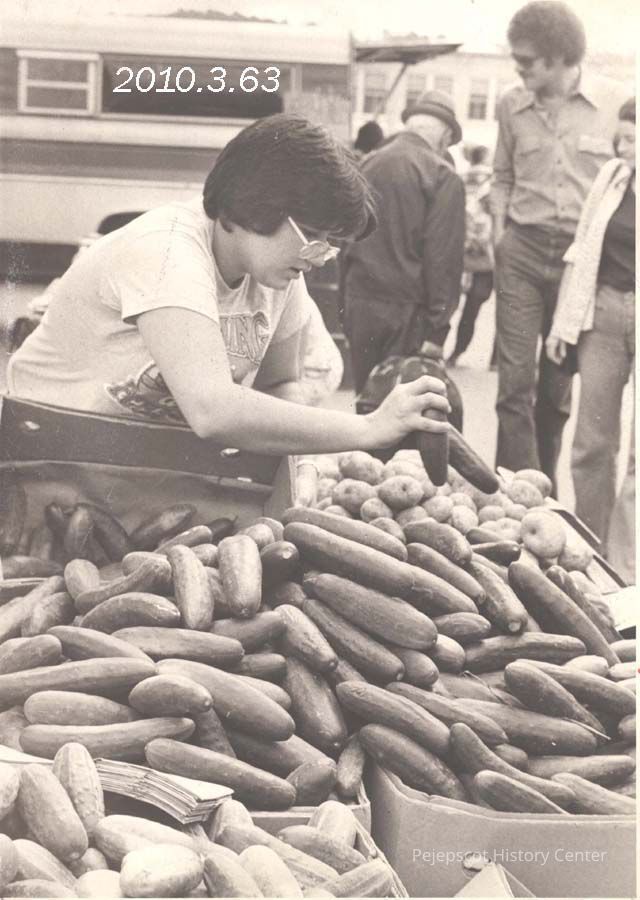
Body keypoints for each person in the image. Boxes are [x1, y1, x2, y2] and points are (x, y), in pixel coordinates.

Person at [6, 114, 450, 456]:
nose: (319, 258)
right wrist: (368, 428)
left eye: (330, 244)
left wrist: (298, 459)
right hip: (48, 450)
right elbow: (212, 411)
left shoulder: (276, 272)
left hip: (134, 458)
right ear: (257, 202)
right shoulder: (166, 251)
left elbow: (281, 384)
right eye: (314, 236)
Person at [489, 0, 629, 492]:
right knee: (514, 385)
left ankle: (541, 492)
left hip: (580, 263)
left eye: (526, 61)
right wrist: (498, 234)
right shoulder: (510, 105)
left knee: (556, 387)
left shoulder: (616, 103)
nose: (518, 69)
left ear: (559, 58)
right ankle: (513, 495)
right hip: (523, 252)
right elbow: (501, 176)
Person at [546, 98, 635, 581]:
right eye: (621, 138)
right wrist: (564, 323)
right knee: (592, 442)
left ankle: (628, 568)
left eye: (633, 139)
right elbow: (581, 251)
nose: (624, 148)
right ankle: (591, 555)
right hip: (603, 311)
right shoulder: (612, 178)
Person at [341, 90, 465, 394]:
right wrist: (438, 330)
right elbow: (442, 260)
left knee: (367, 402)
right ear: (445, 135)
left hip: (360, 302)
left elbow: (345, 240)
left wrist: (345, 306)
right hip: (408, 312)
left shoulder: (367, 164)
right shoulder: (442, 174)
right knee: (404, 407)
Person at [448, 145, 494, 366]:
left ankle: (447, 350)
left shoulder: (460, 179)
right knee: (475, 307)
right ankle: (492, 357)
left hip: (460, 250)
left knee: (453, 304)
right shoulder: (492, 181)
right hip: (485, 254)